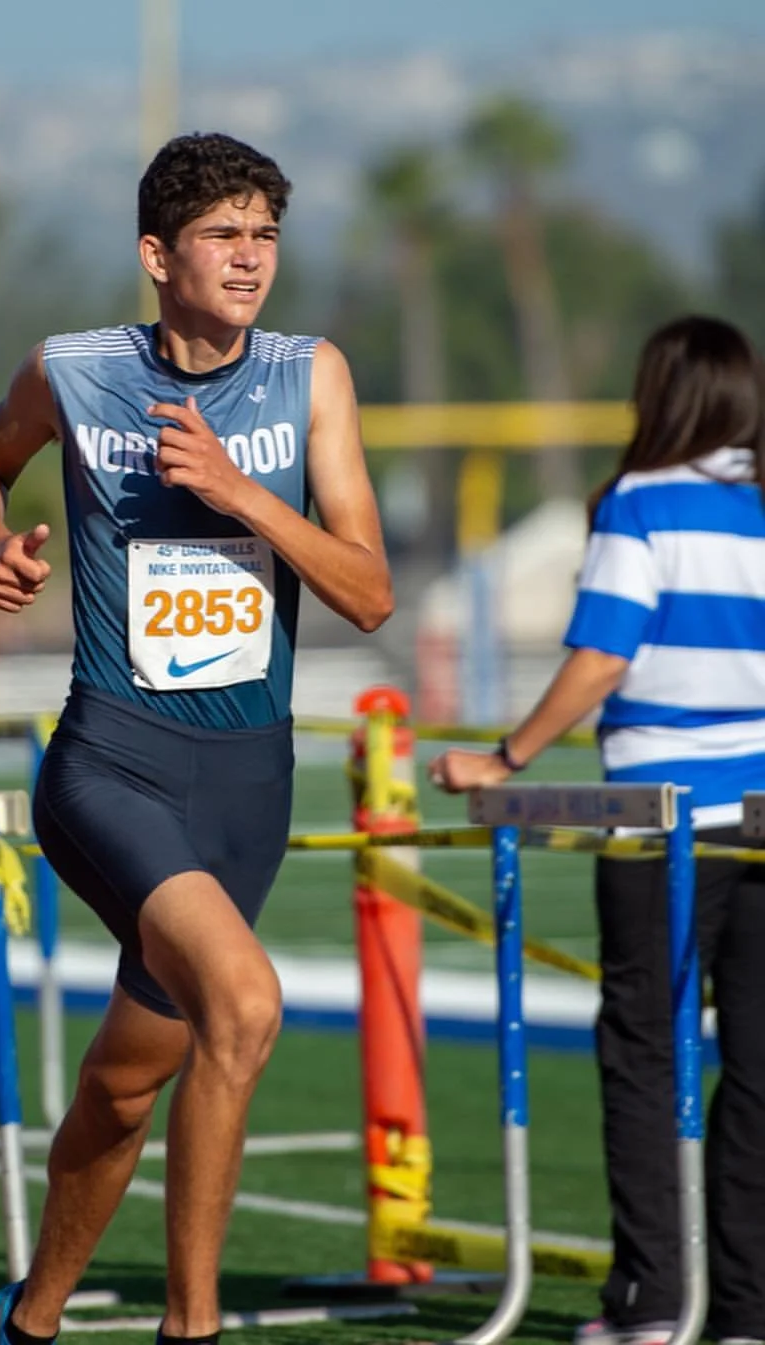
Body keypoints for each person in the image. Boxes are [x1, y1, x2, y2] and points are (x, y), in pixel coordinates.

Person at [0, 131, 393, 1345]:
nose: (251, 260)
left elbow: (369, 592)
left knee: (131, 1072)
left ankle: (29, 1316)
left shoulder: (312, 378)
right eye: (223, 236)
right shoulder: (76, 373)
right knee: (243, 1004)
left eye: (265, 237)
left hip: (249, 781)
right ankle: (189, 1330)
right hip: (113, 761)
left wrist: (248, 495)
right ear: (158, 255)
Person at [428, 314, 765, 1345]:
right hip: (760, 815)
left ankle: (655, 1303)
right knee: (755, 1070)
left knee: (645, 1057)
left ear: (659, 394)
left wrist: (509, 754)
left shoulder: (641, 502)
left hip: (660, 818)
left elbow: (602, 654)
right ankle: (746, 1310)